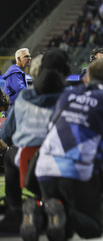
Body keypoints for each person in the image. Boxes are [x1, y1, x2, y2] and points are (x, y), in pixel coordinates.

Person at [30, 59, 103, 240]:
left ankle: (40, 211)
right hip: (75, 171)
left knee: (60, 229)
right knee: (93, 228)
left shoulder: (67, 95)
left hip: (43, 169)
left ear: (86, 79)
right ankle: (59, 212)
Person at [0, 49, 70, 236]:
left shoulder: (24, 98)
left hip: (31, 168)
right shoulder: (72, 96)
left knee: (9, 157)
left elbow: (5, 135)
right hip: (68, 168)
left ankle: (15, 211)